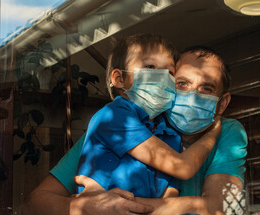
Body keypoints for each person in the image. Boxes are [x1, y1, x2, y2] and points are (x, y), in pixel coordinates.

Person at [22, 45, 247, 215]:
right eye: (182, 84)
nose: (192, 95)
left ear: (223, 103)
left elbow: (218, 209)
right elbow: (34, 204)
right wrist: (85, 207)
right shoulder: (125, 125)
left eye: (206, 88)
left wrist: (116, 208)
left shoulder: (226, 131)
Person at [75, 34, 221, 199]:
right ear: (119, 78)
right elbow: (182, 167)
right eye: (150, 67)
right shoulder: (115, 117)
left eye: (170, 72)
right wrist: (213, 133)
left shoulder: (167, 132)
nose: (163, 77)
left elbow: (169, 197)